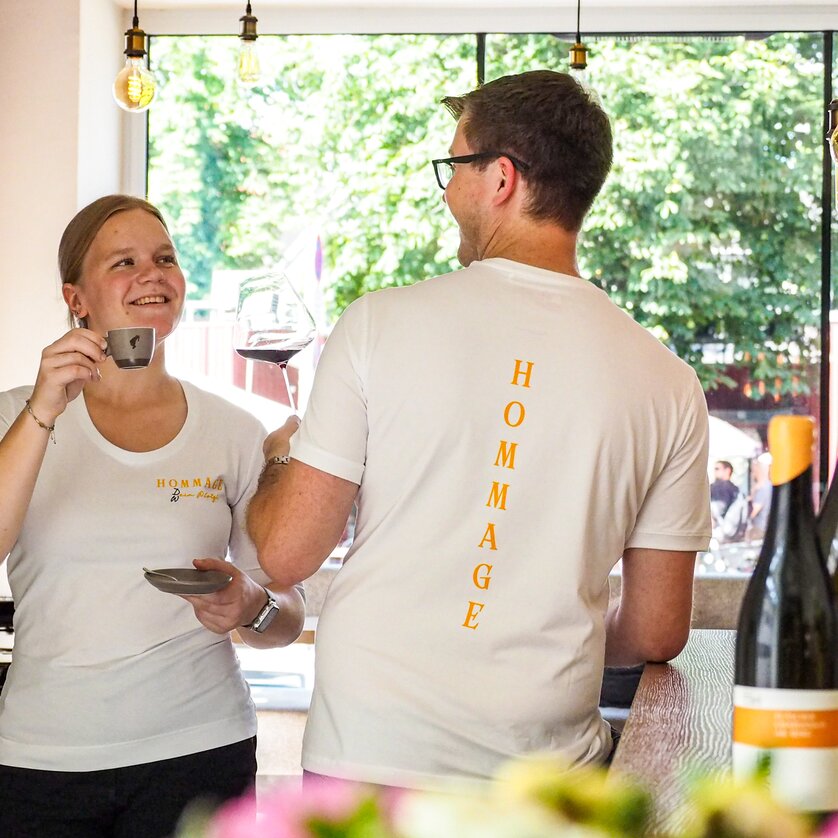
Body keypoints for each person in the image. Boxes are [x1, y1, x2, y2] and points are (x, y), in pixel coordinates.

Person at [247, 70, 711, 790]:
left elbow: (284, 552)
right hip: (542, 773)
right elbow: (656, 631)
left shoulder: (377, 324)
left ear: (500, 179)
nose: (447, 191)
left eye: (455, 166)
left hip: (369, 753)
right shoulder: (669, 383)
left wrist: (280, 458)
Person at [0, 195, 306, 837]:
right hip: (44, 759)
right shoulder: (16, 416)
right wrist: (44, 411)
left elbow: (286, 616)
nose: (152, 274)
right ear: (76, 298)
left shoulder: (233, 430)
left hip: (200, 750)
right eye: (124, 262)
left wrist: (251, 604)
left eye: (165, 258)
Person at [710, 459, 747, 544]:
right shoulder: (736, 489)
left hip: (718, 532)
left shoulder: (719, 487)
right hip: (733, 533)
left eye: (717, 469)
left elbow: (718, 508)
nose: (715, 471)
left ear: (727, 470)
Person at [747, 453, 772, 541]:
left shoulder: (763, 488)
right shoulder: (768, 486)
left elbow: (753, 511)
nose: (753, 472)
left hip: (759, 529)